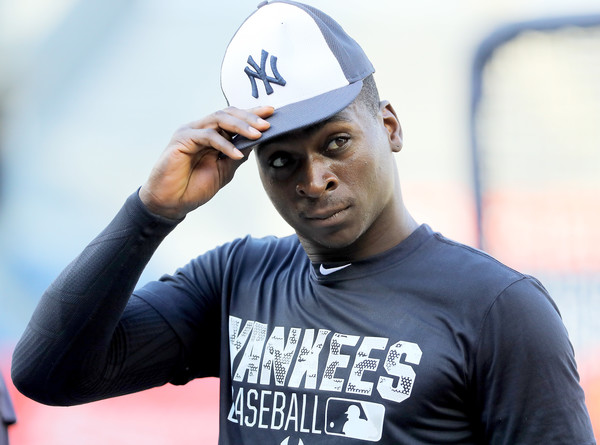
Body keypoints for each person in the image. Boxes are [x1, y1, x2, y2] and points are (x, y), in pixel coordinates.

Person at [10, 1, 596, 444]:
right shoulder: (235, 279)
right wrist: (151, 212)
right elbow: (47, 374)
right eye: (282, 161)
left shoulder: (498, 308)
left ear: (389, 127)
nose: (314, 180)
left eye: (336, 142)